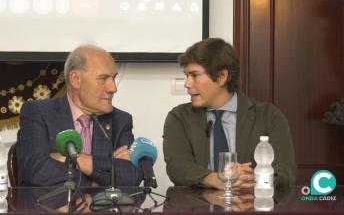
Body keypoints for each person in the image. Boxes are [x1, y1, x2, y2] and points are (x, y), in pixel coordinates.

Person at [163, 38, 296, 190]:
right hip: (198, 206)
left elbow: (287, 171)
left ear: (221, 77)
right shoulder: (179, 117)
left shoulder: (269, 116)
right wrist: (215, 179)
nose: (187, 84)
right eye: (186, 75)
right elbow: (177, 167)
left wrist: (256, 180)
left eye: (194, 75)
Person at [16, 45, 143, 186]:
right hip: (50, 207)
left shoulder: (120, 120)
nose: (113, 88)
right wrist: (99, 179)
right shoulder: (38, 112)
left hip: (102, 208)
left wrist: (77, 160)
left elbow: (133, 176)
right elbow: (36, 171)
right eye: (103, 78)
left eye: (113, 78)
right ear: (76, 79)